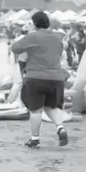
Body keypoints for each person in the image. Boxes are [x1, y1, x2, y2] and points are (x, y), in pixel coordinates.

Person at [11, 11, 69, 148]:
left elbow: (15, 48)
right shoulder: (57, 38)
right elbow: (59, 53)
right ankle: (60, 127)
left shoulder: (33, 36)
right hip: (56, 79)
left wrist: (29, 35)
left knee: (36, 110)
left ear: (35, 24)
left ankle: (35, 139)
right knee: (51, 106)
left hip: (35, 78)